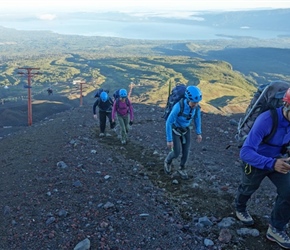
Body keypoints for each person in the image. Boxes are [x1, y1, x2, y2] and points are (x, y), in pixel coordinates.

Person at [235, 88, 290, 249]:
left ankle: (276, 228)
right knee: (248, 187)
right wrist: (272, 164)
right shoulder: (267, 119)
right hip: (256, 161)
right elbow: (245, 152)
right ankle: (240, 207)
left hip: (278, 161)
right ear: (287, 105)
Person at [164, 85, 202, 180]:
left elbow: (197, 118)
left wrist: (198, 132)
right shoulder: (178, 107)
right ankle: (167, 161)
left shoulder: (196, 107)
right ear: (188, 99)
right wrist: (169, 140)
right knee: (176, 152)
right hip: (175, 130)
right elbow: (169, 122)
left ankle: (182, 167)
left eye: (197, 102)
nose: (195, 104)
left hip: (186, 130)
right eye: (194, 102)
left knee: (186, 152)